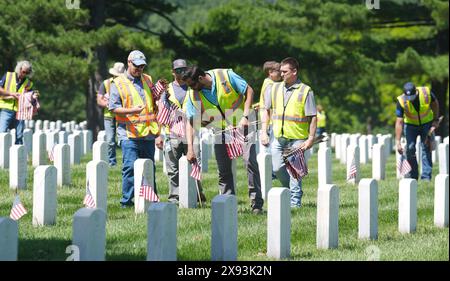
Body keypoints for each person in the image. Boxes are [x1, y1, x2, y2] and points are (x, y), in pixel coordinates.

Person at [182, 66, 264, 214]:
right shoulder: (192, 94)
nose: (191, 88)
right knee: (224, 170)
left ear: (200, 78)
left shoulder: (225, 75)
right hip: (221, 131)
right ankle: (228, 203)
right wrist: (190, 148)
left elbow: (249, 90)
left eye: (192, 84)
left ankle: (256, 204)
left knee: (250, 163)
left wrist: (245, 116)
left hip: (243, 125)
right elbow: (190, 121)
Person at [108, 50, 165, 208]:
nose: (139, 69)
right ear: (129, 62)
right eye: (137, 66)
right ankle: (127, 201)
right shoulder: (117, 83)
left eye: (142, 66)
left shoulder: (148, 79)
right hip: (129, 133)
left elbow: (154, 106)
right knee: (130, 167)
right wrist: (131, 111)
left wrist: (159, 132)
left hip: (148, 133)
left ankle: (151, 198)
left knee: (149, 167)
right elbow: (113, 108)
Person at [261, 57, 317, 208]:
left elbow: (312, 116)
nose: (281, 74)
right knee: (277, 168)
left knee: (294, 171)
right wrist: (264, 132)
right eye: (280, 71)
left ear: (294, 72)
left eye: (285, 71)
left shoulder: (306, 91)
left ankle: (295, 202)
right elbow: (266, 111)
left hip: (298, 138)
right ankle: (290, 190)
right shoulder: (273, 88)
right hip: (278, 137)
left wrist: (311, 138)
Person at [160, 59, 206, 204]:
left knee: (194, 163)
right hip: (172, 131)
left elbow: (200, 107)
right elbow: (161, 110)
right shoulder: (166, 90)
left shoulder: (192, 86)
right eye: (178, 70)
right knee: (173, 168)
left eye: (183, 69)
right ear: (172, 71)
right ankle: (175, 196)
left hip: (190, 131)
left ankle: (197, 194)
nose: (181, 72)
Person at [395, 82, 440, 181]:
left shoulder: (425, 93)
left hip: (426, 124)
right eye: (408, 97)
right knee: (410, 149)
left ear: (416, 92)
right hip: (410, 126)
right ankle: (413, 176)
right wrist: (397, 142)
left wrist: (435, 120)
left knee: (426, 148)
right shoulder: (401, 101)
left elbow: (435, 103)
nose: (410, 99)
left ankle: (426, 177)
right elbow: (399, 121)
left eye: (412, 97)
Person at [97, 62, 125, 167]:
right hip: (109, 116)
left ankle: (125, 161)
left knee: (124, 140)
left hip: (123, 115)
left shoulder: (126, 84)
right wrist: (108, 105)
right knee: (110, 140)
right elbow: (99, 100)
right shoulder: (106, 84)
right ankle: (112, 162)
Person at [0, 61, 34, 144]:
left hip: (20, 111)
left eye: (27, 72)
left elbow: (31, 95)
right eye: (23, 72)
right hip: (6, 109)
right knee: (2, 133)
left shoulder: (28, 83)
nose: (25, 74)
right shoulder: (8, 76)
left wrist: (33, 96)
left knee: (19, 136)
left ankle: (18, 156)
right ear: (19, 69)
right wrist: (11, 94)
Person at [259, 61, 281, 153]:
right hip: (270, 122)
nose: (281, 73)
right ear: (270, 72)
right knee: (272, 152)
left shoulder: (267, 82)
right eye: (278, 71)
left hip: (268, 121)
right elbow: (269, 106)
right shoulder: (270, 85)